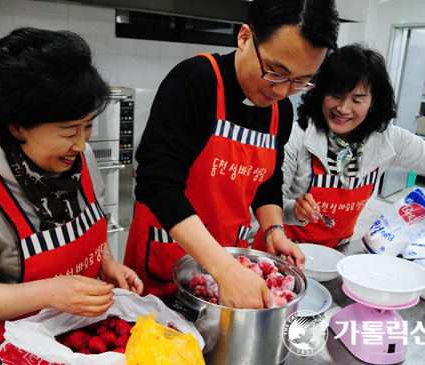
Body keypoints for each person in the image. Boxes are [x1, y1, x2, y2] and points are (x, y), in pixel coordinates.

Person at [0, 27, 143, 355]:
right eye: (69, 130)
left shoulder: (81, 159)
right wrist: (48, 292)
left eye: (88, 126)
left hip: (79, 341)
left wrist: (106, 262)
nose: (82, 142)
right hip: (11, 353)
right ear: (17, 126)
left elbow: (91, 229)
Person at [124, 0, 339, 309]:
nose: (282, 91)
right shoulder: (194, 82)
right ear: (244, 38)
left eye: (301, 81)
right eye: (277, 72)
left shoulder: (281, 110)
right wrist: (222, 268)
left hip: (231, 261)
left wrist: (274, 231)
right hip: (166, 263)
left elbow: (267, 181)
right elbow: (157, 183)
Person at [251, 43, 425, 250]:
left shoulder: (387, 140)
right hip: (283, 248)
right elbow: (269, 202)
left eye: (357, 100)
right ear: (320, 94)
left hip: (337, 250)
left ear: (373, 101)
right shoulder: (296, 136)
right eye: (336, 96)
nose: (344, 109)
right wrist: (295, 211)